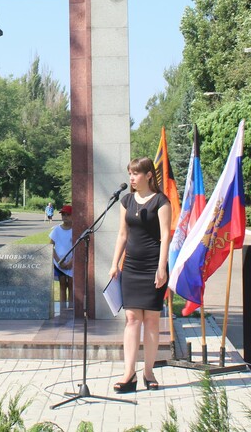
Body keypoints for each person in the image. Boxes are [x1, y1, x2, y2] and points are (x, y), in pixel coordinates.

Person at [108, 156, 171, 393]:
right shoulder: (126, 201)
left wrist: (162, 267)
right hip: (132, 267)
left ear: (148, 176)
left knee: (152, 321)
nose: (132, 178)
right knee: (132, 319)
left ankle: (149, 372)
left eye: (136, 174)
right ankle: (129, 374)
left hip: (154, 266)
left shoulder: (161, 202)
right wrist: (115, 263)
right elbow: (122, 235)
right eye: (130, 174)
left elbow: (165, 236)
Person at [49, 204, 74, 313]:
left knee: (71, 285)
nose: (65, 216)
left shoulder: (75, 230)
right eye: (63, 214)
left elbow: (78, 247)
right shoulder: (56, 230)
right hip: (59, 263)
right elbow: (51, 246)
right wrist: (58, 260)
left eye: (67, 214)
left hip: (72, 263)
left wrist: (71, 261)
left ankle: (71, 307)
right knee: (62, 284)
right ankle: (63, 308)